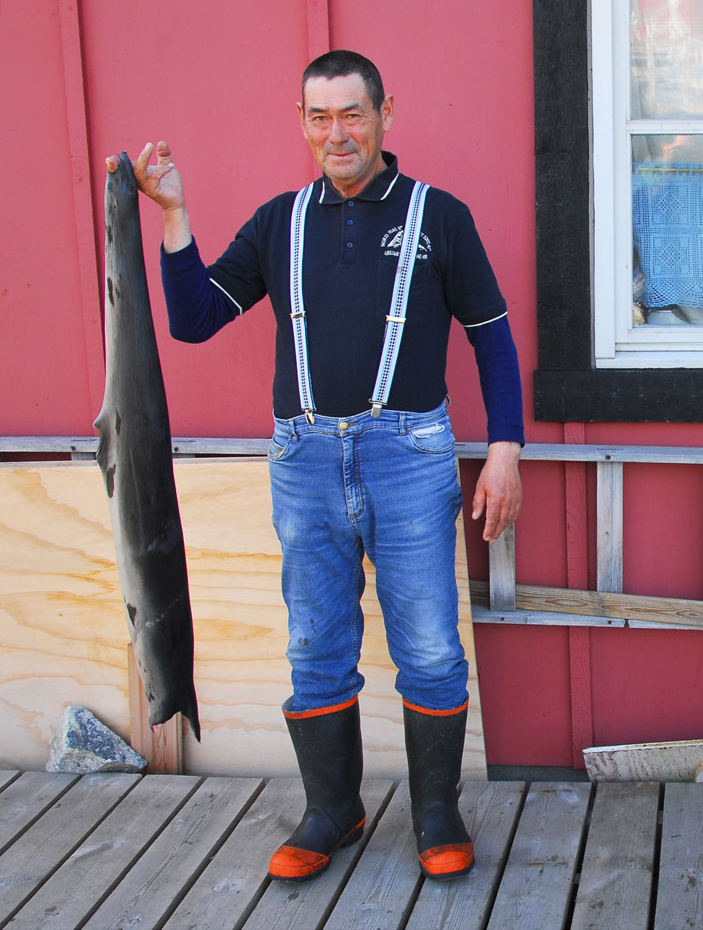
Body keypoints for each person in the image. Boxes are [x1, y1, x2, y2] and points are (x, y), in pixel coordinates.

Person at [106, 50, 523, 883]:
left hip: (410, 456)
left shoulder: (440, 216)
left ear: (385, 114)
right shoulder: (278, 223)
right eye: (320, 117)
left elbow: (494, 339)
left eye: (353, 114)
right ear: (302, 123)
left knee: (432, 645)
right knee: (314, 643)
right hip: (303, 461)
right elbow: (191, 320)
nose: (338, 133)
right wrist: (175, 215)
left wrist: (505, 450)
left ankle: (437, 810)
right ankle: (333, 806)